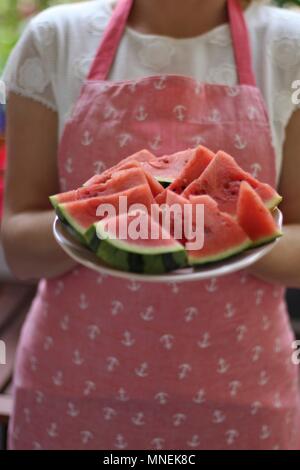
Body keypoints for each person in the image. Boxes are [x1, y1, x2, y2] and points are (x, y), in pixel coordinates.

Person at [1, 0, 300, 450]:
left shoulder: (288, 46)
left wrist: (211, 229)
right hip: (74, 386)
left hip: (242, 392)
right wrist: (108, 219)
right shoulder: (54, 38)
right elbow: (18, 246)